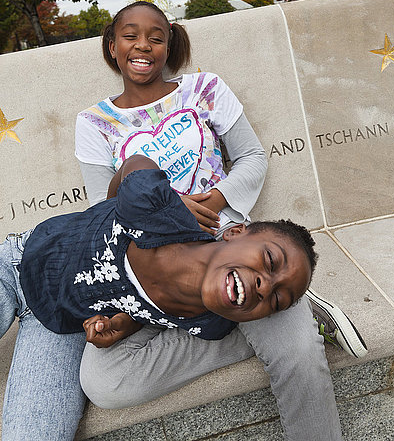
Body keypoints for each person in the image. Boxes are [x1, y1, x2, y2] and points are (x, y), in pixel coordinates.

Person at [73, 0, 366, 440]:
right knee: (105, 383)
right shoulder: (93, 122)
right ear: (111, 45)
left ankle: (287, 324)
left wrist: (220, 194)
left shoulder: (205, 89)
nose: (143, 46)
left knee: (298, 354)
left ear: (169, 45)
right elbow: (100, 209)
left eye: (156, 37)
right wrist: (166, 209)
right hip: (150, 261)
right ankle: (273, 320)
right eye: (130, 36)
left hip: (223, 245)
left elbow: (251, 156)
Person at [1, 157, 315, 440]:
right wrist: (119, 208)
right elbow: (134, 165)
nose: (264, 286)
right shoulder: (156, 210)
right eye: (270, 261)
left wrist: (123, 325)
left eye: (276, 300)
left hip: (59, 328)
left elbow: (145, 310)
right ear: (235, 233)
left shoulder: (209, 323)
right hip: (17, 265)